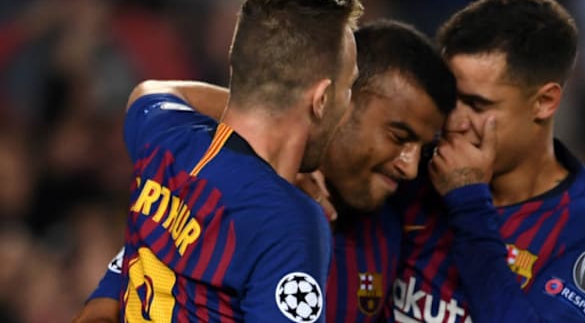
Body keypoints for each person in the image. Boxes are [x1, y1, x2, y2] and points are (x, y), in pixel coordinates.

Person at [73, 19, 457, 323]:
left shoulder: (396, 219)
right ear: (337, 101)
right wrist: (282, 115)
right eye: (398, 136)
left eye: (423, 148)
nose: (410, 165)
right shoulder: (231, 197)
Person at [90, 0, 363, 323]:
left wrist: (260, 97)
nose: (348, 104)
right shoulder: (288, 222)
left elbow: (152, 90)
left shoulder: (164, 138)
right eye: (349, 86)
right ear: (321, 99)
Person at [390, 0, 585, 322]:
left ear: (545, 101)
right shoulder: (408, 169)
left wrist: (468, 204)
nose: (453, 121)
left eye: (478, 105)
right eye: (449, 98)